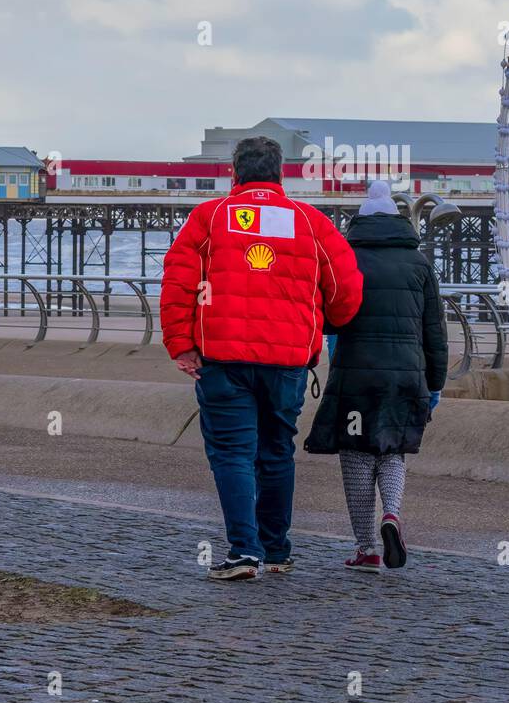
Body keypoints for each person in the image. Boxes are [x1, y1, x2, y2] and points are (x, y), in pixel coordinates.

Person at [160, 136, 363, 580]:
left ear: (234, 172)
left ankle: (243, 553)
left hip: (223, 356)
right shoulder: (311, 222)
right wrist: (320, 324)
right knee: (275, 452)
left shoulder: (209, 217)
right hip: (289, 360)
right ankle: (276, 551)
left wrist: (182, 344)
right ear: (281, 173)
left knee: (233, 453)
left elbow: (178, 284)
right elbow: (346, 289)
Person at [305, 180, 448, 571]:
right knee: (392, 449)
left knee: (356, 456)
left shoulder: (346, 259)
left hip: (356, 376)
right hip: (406, 375)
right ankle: (393, 515)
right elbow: (435, 331)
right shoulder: (420, 264)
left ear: (358, 223)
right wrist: (435, 384)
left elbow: (330, 317)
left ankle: (367, 547)